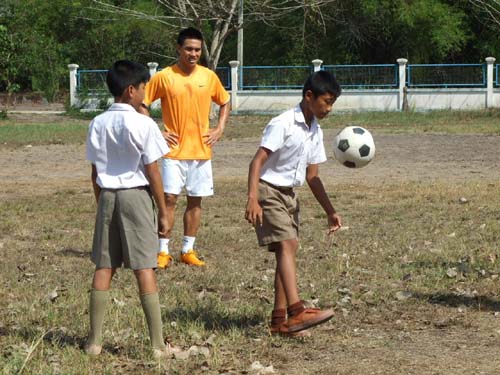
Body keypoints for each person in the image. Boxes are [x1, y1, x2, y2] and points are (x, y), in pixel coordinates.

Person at [85, 60, 178, 358]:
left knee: (105, 266)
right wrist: (163, 210)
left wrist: (102, 203)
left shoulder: (97, 123)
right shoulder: (144, 123)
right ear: (130, 91)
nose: (145, 93)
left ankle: (94, 342)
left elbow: (94, 171)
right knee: (144, 266)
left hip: (108, 195)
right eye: (143, 88)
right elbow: (153, 171)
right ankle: (157, 345)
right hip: (136, 196)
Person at [245, 70, 342, 336]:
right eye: (326, 101)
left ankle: (280, 322)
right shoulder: (283, 123)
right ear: (309, 96)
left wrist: (330, 211)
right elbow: (257, 162)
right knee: (288, 244)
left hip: (290, 195)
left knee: (284, 252)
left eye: (332, 103)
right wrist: (252, 198)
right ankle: (297, 311)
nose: (329, 108)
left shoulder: (315, 130)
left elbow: (313, 177)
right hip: (268, 191)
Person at [139, 27, 230, 269]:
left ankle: (187, 250)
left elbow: (225, 101)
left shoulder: (209, 77)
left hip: (201, 151)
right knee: (168, 199)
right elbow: (143, 103)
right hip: (173, 152)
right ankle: (162, 251)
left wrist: (219, 129)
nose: (193, 53)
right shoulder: (164, 76)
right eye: (188, 49)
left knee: (195, 201)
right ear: (178, 49)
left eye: (197, 49)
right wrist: (156, 131)